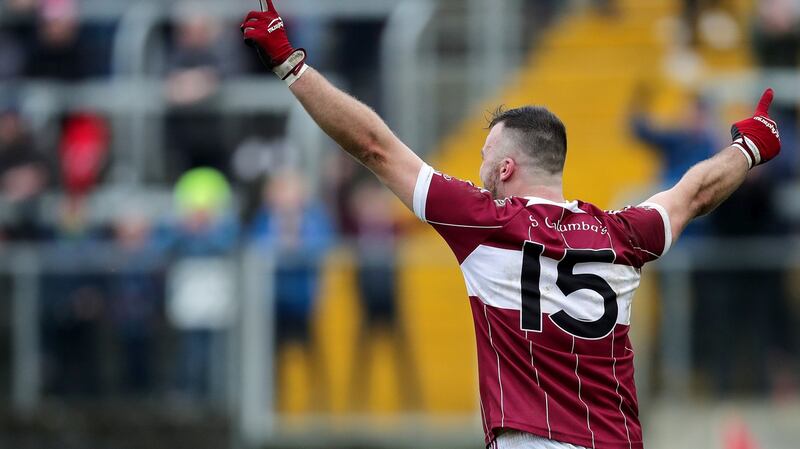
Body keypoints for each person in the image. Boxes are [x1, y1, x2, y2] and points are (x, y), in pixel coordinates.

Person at [239, 2, 782, 448]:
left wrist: (291, 64)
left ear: (505, 168)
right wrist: (749, 147)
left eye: (483, 156)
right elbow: (694, 194)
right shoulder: (624, 233)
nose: (477, 169)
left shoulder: (481, 221)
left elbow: (374, 148)